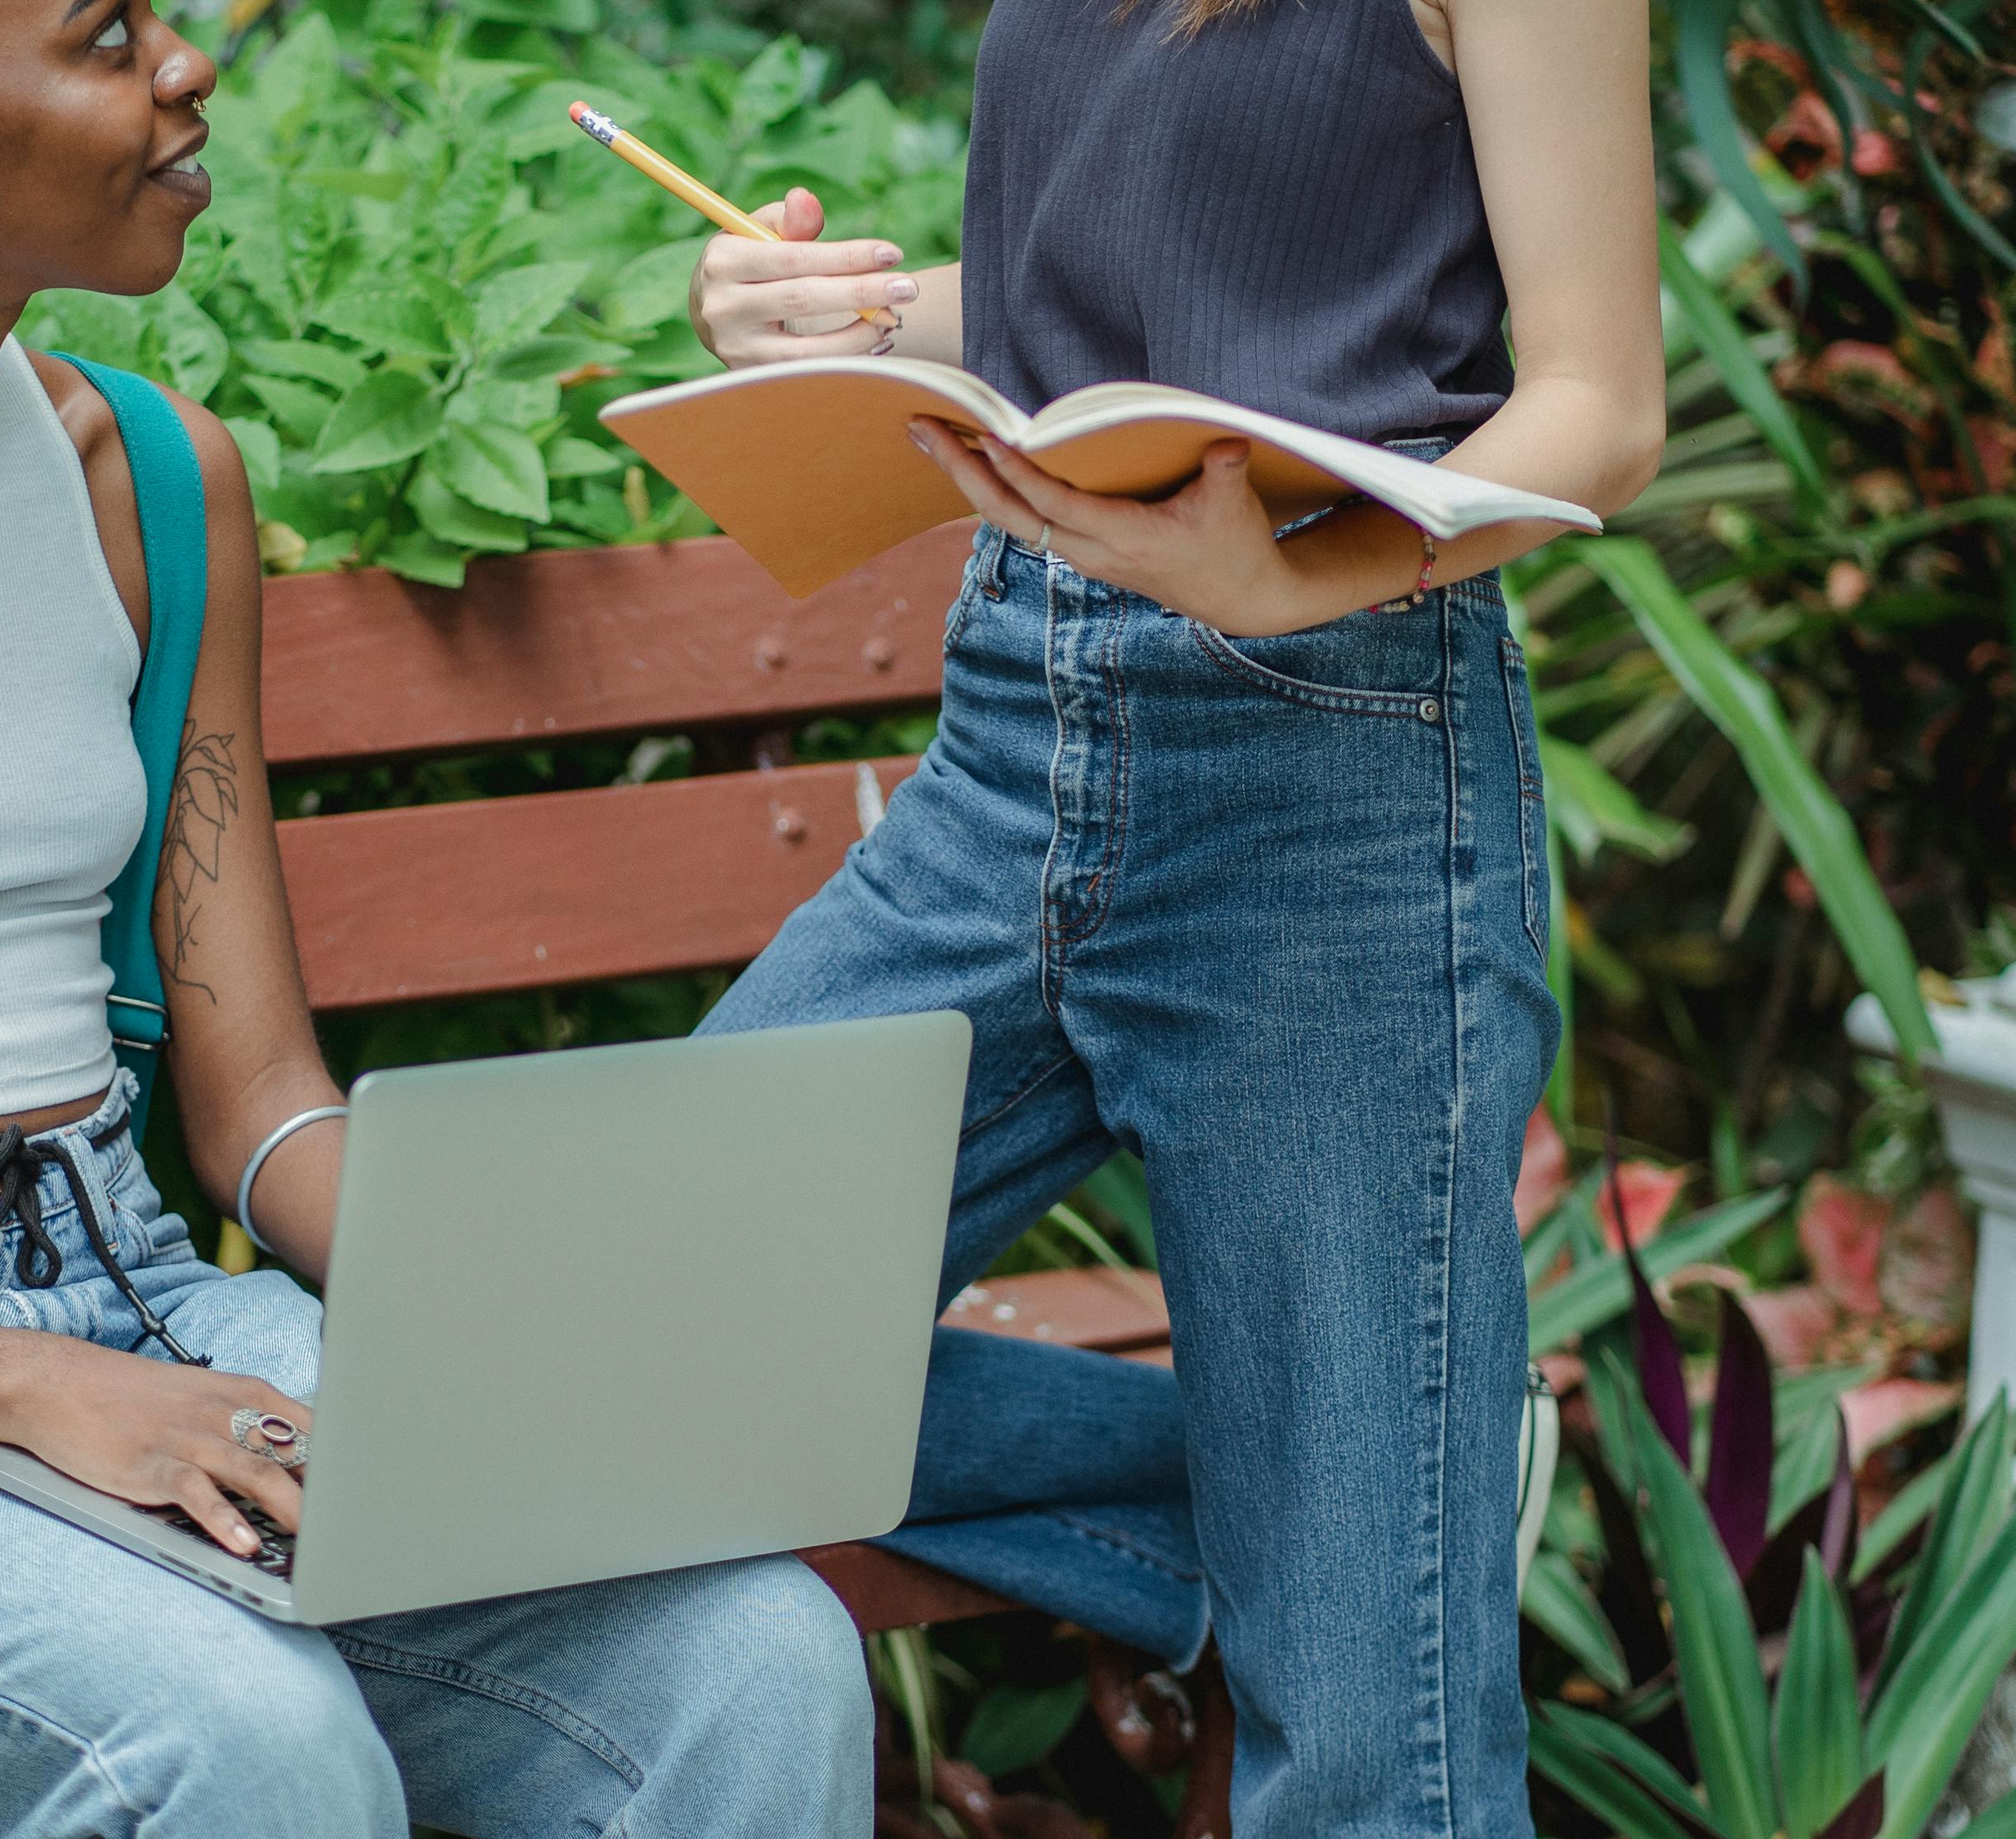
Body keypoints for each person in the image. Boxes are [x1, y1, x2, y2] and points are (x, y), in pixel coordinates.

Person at [0, 2, 870, 1833]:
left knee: (747, 1659)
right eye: (107, 36)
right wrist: (25, 1386)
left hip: (130, 1291)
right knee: (244, 1746)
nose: (186, 63)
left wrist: (530, 1315)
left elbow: (259, 1096)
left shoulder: (154, 485)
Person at [685, 0, 1663, 1832]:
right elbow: (1156, 286)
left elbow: (1598, 414)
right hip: (1007, 738)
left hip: (1331, 770)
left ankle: (1364, 1500)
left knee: (1370, 1765)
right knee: (600, 1331)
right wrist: (838, 323)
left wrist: (1299, 582)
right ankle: (1340, 1480)